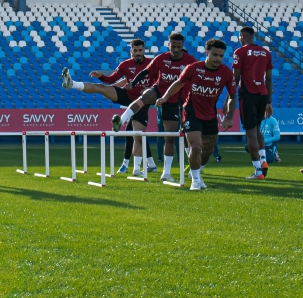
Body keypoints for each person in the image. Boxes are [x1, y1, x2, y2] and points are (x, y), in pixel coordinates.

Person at [61, 39, 157, 175]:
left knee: (137, 135)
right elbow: (111, 80)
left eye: (140, 50)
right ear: (131, 52)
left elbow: (160, 81)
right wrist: (101, 76)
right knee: (102, 88)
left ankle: (137, 168)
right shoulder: (125, 65)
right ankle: (72, 84)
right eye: (135, 51)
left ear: (144, 50)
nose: (138, 53)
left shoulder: (151, 64)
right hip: (127, 95)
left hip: (142, 101)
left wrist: (150, 89)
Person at [115, 33, 197, 182]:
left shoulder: (190, 61)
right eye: (174, 46)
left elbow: (198, 78)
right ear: (169, 45)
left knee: (170, 138)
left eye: (179, 47)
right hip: (159, 91)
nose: (176, 49)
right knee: (145, 96)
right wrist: (133, 82)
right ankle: (121, 120)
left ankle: (166, 172)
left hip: (176, 100)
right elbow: (145, 71)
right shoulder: (161, 59)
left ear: (183, 46)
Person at [156, 39, 235, 191]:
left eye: (221, 56)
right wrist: (165, 97)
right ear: (207, 53)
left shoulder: (226, 73)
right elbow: (178, 83)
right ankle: (196, 181)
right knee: (196, 146)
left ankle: (195, 173)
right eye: (214, 55)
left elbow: (233, 95)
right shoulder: (193, 68)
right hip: (191, 112)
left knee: (208, 150)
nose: (218, 59)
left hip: (210, 114)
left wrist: (230, 116)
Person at [232, 26, 274, 179]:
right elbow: (268, 78)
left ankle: (258, 171)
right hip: (262, 94)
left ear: (242, 36)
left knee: (250, 133)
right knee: (257, 130)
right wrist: (269, 101)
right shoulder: (266, 52)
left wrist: (229, 98)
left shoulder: (240, 52)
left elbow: (235, 78)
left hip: (248, 94)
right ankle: (263, 160)